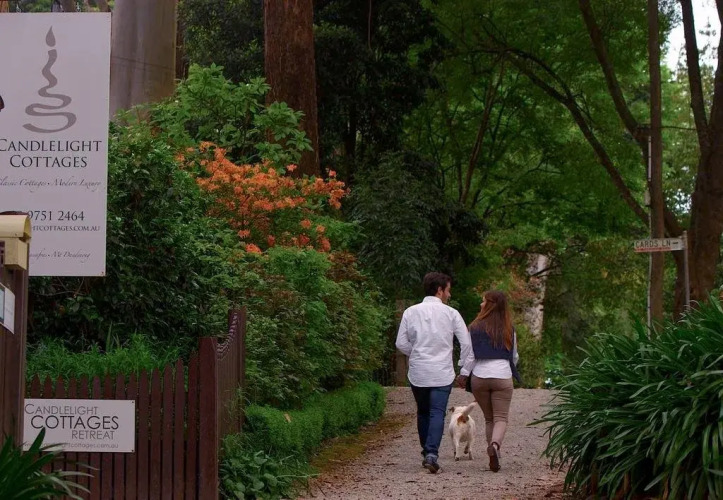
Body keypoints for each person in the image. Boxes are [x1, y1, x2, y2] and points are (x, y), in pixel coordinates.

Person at [396, 272, 472, 474]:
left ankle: (426, 451)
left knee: (422, 412)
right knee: (437, 412)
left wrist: (416, 352)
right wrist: (462, 367)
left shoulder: (410, 312)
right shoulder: (451, 313)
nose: (449, 294)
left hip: (419, 372)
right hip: (441, 372)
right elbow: (466, 343)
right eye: (448, 290)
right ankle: (431, 454)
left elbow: (400, 343)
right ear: (439, 290)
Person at [457, 290, 520, 472]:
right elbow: (514, 356)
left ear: (490, 305)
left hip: (480, 377)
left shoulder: (474, 327)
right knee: (501, 418)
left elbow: (470, 355)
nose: (481, 304)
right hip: (502, 376)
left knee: (489, 418)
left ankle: (493, 456)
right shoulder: (509, 329)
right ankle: (495, 446)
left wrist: (464, 374)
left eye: (483, 301)